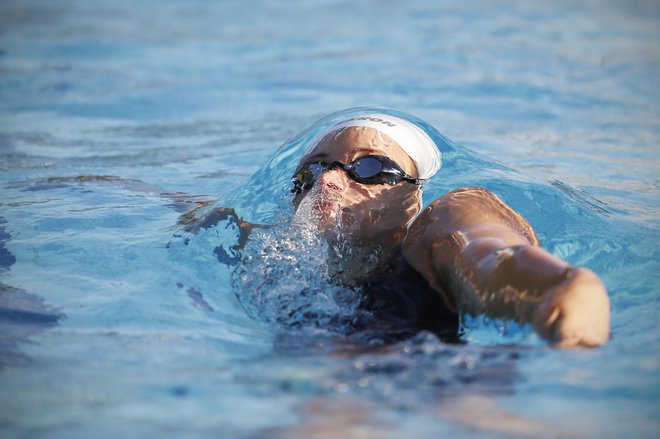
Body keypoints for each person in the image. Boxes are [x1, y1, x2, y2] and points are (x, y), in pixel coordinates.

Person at [285, 113, 610, 348]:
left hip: (438, 387)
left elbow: (488, 251)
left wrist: (556, 290)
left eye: (370, 167)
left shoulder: (435, 232)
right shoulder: (273, 253)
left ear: (411, 198)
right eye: (314, 169)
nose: (327, 180)